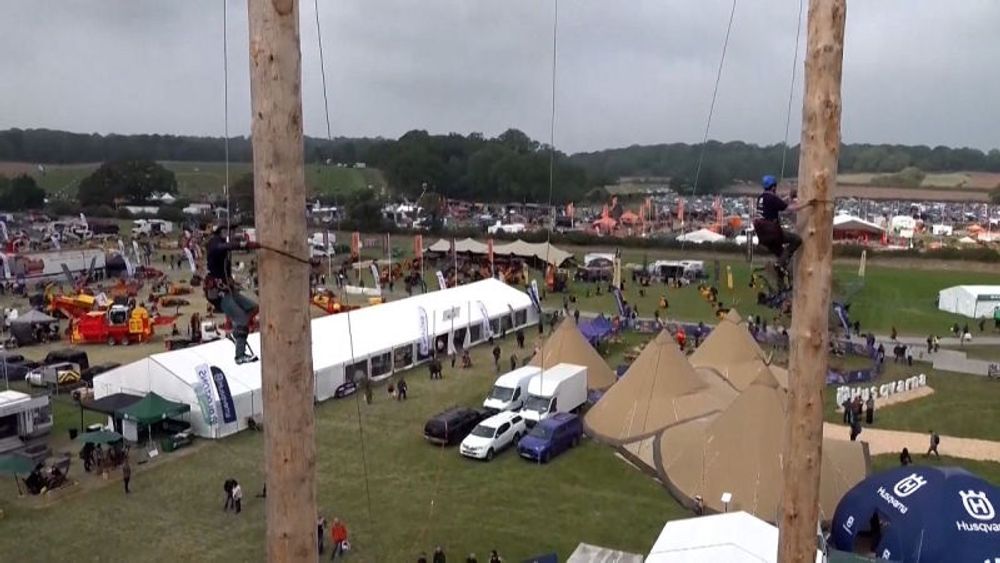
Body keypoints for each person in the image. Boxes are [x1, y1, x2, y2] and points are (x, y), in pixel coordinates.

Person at [204, 224, 260, 364]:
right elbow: (220, 248)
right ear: (222, 232)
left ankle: (237, 333)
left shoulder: (225, 247)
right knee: (241, 318)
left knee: (253, 308)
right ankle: (240, 355)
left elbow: (226, 248)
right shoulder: (214, 243)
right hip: (218, 292)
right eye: (230, 231)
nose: (233, 233)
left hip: (227, 288)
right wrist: (242, 244)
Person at [752, 175, 803, 286]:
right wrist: (807, 204)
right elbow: (789, 209)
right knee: (796, 240)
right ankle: (780, 264)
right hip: (773, 233)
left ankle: (781, 288)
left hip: (763, 235)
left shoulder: (761, 198)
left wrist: (789, 197)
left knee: (782, 258)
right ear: (774, 186)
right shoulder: (772, 198)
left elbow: (778, 204)